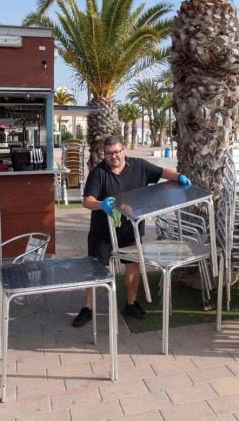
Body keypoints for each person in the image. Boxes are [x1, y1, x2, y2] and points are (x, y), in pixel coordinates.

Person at [72, 135, 191, 327]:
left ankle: (131, 303)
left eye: (117, 152)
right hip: (102, 232)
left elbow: (162, 173)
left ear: (124, 150)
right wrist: (103, 204)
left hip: (131, 230)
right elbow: (87, 201)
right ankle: (87, 308)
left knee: (132, 267)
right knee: (95, 271)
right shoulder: (98, 173)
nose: (114, 157)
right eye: (109, 153)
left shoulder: (139, 166)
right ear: (104, 155)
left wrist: (179, 177)